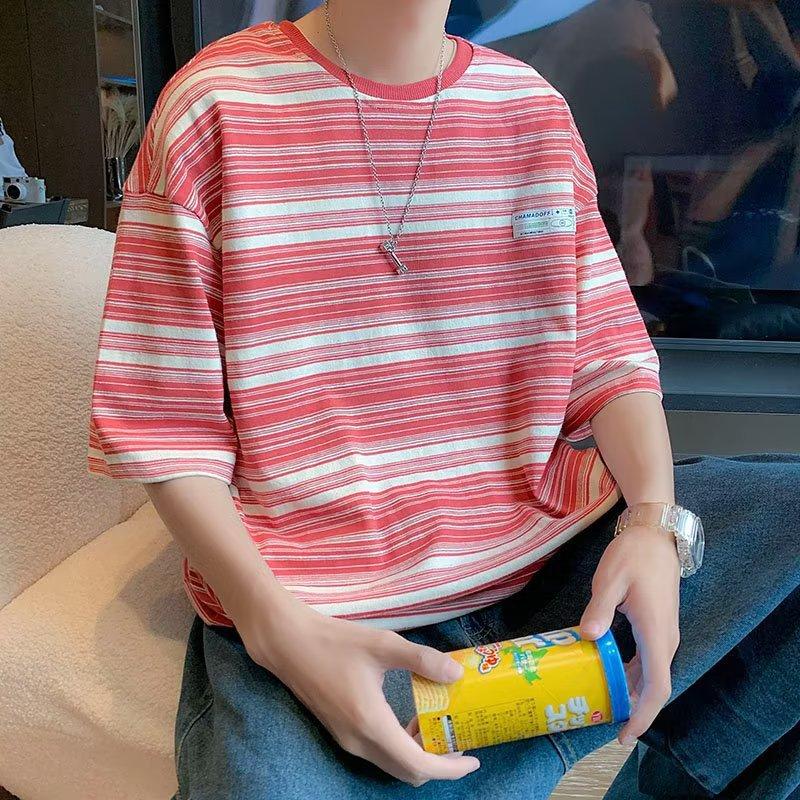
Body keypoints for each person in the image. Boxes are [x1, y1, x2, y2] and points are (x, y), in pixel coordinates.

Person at [86, 1, 800, 797]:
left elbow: (609, 358)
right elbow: (165, 424)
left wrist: (654, 523)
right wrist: (275, 630)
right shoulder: (212, 106)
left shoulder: (531, 108)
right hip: (323, 602)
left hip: (552, 562)